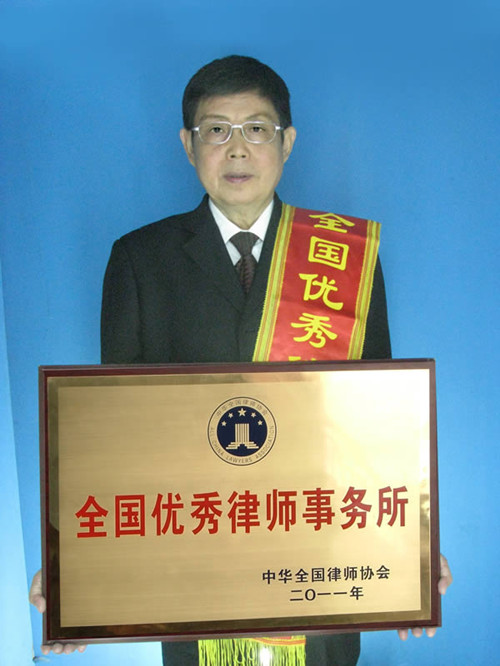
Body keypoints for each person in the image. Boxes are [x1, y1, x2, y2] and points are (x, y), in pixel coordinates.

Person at [30, 55, 452, 664]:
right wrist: (77, 564)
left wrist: (410, 545)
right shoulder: (139, 259)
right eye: (215, 130)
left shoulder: (342, 256)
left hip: (318, 557)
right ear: (188, 144)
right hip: (197, 559)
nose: (236, 149)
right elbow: (115, 434)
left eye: (256, 128)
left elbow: (377, 418)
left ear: (287, 142)